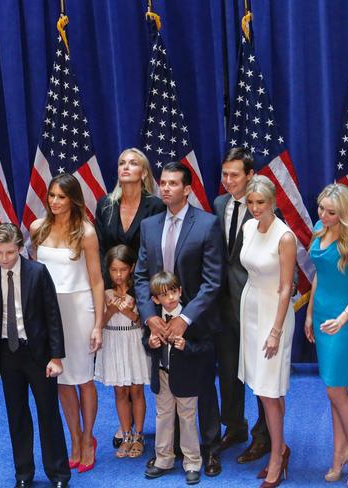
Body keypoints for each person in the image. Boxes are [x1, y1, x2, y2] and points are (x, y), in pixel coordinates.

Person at [134, 161, 224, 477]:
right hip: (160, 320)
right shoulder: (150, 225)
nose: (166, 188)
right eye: (163, 182)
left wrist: (184, 318)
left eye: (173, 183)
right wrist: (150, 318)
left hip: (196, 322)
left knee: (202, 389)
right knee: (167, 389)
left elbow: (214, 281)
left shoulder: (208, 224)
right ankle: (168, 453)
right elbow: (141, 276)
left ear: (187, 189)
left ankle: (210, 450)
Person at [0, 223, 70, 488]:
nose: (4, 258)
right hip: (9, 355)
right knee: (16, 415)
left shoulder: (37, 272)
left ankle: (59, 474)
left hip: (38, 355)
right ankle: (23, 473)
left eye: (9, 252)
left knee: (48, 413)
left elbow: (52, 315)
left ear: (20, 248)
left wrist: (56, 356)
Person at [30, 173, 104, 474]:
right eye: (51, 196)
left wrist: (99, 324)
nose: (55, 202)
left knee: (83, 378)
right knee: (60, 378)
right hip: (49, 312)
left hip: (79, 310)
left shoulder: (86, 232)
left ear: (73, 199)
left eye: (61, 196)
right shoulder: (37, 228)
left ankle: (88, 438)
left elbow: (98, 281)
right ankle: (73, 438)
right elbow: (34, 275)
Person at [94, 148, 164, 448]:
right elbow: (98, 250)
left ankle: (159, 425)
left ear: (144, 172)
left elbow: (157, 253)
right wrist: (108, 289)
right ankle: (126, 428)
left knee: (146, 367)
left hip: (144, 292)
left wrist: (140, 294)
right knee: (120, 366)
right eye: (121, 162)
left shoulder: (156, 205)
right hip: (112, 291)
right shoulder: (105, 205)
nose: (126, 166)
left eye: (133, 163)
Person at [213, 147, 271, 461]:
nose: (228, 180)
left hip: (255, 303)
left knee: (260, 373)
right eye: (225, 174)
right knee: (228, 368)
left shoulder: (264, 208)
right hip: (223, 304)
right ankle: (234, 426)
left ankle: (264, 434)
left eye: (235, 174)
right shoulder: (219, 203)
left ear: (250, 175)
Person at [238, 175, 296, 487]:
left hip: (275, 313)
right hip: (250, 308)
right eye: (250, 202)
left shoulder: (284, 237)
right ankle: (281, 447)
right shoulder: (248, 227)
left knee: (268, 389)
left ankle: (277, 457)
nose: (255, 208)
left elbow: (287, 288)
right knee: (263, 386)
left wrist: (275, 331)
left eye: (261, 202)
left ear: (273, 201)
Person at [304, 184, 348, 486]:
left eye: (331, 212)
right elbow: (319, 272)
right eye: (321, 208)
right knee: (333, 390)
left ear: (344, 214)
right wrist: (309, 313)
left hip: (343, 318)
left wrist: (343, 318)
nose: (323, 215)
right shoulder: (320, 228)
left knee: (336, 390)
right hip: (321, 315)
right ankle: (339, 454)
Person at [143, 271, 209, 485]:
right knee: (163, 416)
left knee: (187, 419)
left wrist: (187, 346)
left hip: (187, 377)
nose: (170, 297)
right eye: (164, 294)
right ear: (155, 299)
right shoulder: (153, 319)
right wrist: (150, 344)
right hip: (162, 374)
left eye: (174, 292)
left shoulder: (190, 318)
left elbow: (207, 346)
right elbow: (145, 340)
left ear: (180, 292)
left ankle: (192, 462)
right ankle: (164, 459)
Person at [94, 244, 150, 458]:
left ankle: (138, 435)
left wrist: (128, 311)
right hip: (113, 340)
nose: (118, 275)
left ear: (132, 267)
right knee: (120, 391)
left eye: (123, 269)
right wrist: (111, 309)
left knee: (136, 389)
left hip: (133, 341)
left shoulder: (139, 290)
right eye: (113, 270)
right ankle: (125, 435)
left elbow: (144, 321)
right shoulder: (103, 292)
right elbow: (99, 322)